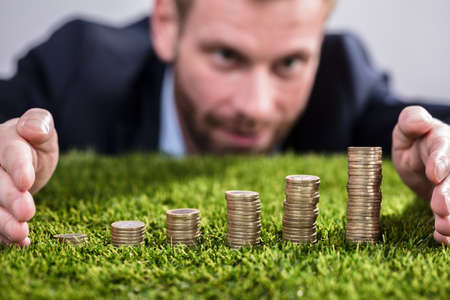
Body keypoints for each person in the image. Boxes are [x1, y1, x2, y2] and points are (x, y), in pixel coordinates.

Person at [0, 0, 449, 247]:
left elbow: (425, 124)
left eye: (290, 62)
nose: (255, 108)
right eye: (226, 56)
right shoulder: (76, 66)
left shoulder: (345, 76)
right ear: (167, 25)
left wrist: (439, 152)